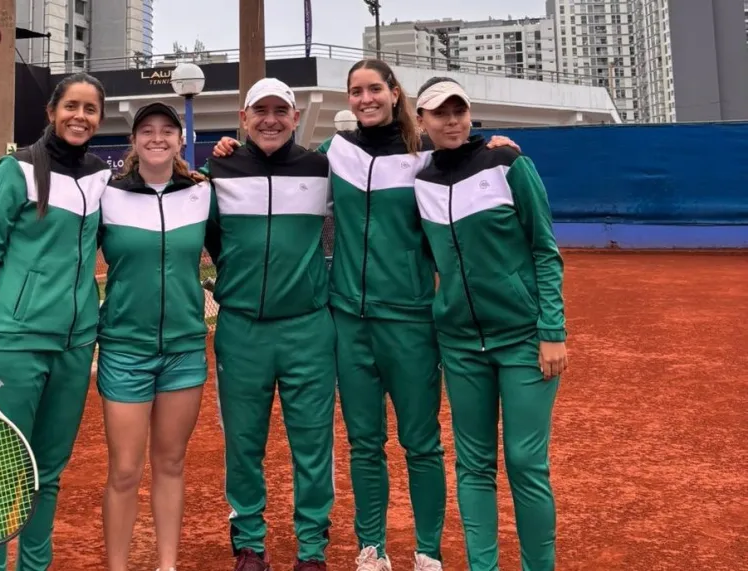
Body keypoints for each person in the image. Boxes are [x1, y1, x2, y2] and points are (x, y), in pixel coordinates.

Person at [211, 61, 519, 571]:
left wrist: (495, 148)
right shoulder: (334, 154)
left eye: (375, 88)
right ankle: (370, 548)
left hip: (410, 320)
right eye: (356, 91)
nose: (366, 98)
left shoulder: (424, 157)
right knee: (363, 443)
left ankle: (427, 551)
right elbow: (267, 170)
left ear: (394, 94)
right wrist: (228, 147)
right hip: (348, 321)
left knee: (421, 443)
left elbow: (465, 161)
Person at [0, 72, 112, 571]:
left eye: (90, 109)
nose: (80, 116)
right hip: (13, 345)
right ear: (51, 112)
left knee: (48, 473)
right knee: (1, 473)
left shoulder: (101, 178)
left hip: (75, 347)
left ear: (100, 118)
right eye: (71, 106)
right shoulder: (15, 170)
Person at [412, 77, 567, 571]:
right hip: (459, 344)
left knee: (525, 462)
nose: (452, 121)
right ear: (421, 120)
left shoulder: (508, 164)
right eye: (440, 113)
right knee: (474, 465)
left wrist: (552, 331)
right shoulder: (419, 179)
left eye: (458, 111)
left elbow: (544, 249)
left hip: (523, 339)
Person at [201, 77, 336, 571]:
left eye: (282, 111)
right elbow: (211, 236)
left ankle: (312, 549)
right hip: (241, 330)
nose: (271, 120)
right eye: (261, 111)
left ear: (296, 118)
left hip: (308, 329)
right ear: (244, 118)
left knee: (313, 445)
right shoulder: (216, 170)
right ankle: (249, 544)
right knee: (243, 444)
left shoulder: (322, 169)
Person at [96, 102, 212, 571]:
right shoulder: (107, 195)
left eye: (168, 130)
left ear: (181, 141)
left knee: (171, 463)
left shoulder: (202, 193)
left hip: (184, 350)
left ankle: (167, 565)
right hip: (124, 350)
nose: (157, 138)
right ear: (134, 141)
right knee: (125, 470)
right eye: (147, 130)